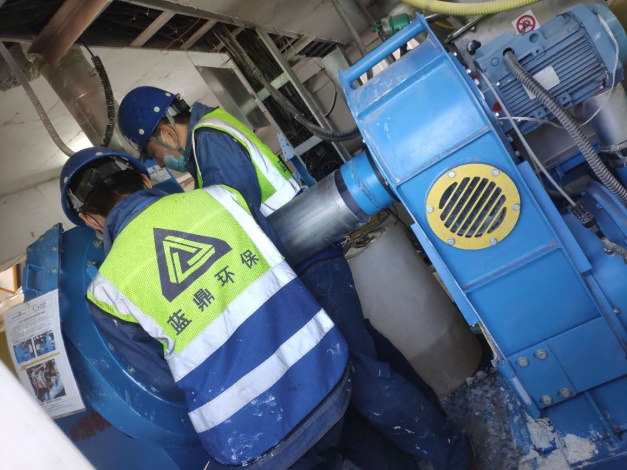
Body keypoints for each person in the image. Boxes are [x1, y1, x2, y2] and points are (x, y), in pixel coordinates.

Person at [118, 86, 470, 469]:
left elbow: (237, 223)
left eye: (155, 154)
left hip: (305, 263)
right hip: (312, 255)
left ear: (166, 132)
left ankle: (450, 454)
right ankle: (439, 430)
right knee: (369, 351)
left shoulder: (209, 142)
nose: (164, 163)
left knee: (359, 372)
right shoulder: (214, 126)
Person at [60, 147, 351, 469]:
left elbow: (164, 380)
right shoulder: (221, 198)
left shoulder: (105, 292)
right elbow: (278, 260)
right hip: (326, 372)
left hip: (250, 432)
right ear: (145, 180)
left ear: (89, 219)